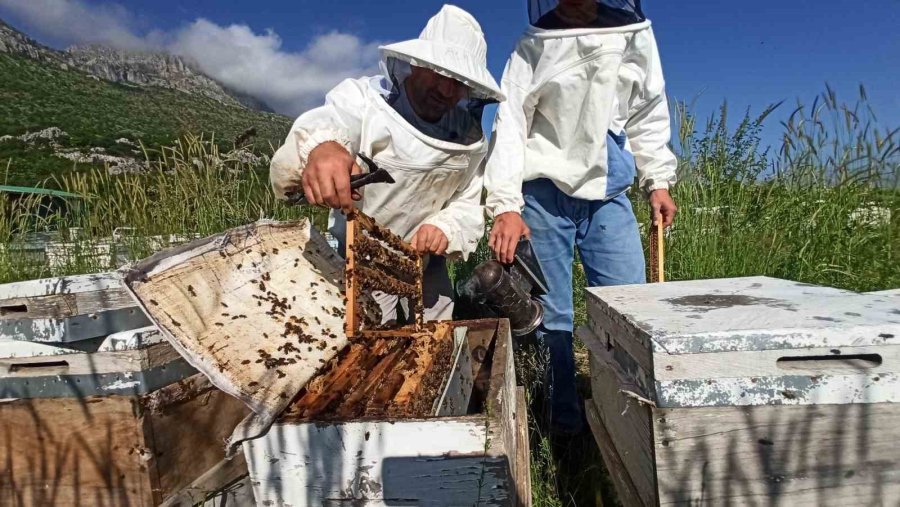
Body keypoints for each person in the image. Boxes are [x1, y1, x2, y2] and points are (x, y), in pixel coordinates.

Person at [484, 0, 677, 432]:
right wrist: (506, 205)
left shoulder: (634, 33)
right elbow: (511, 121)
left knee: (628, 306)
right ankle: (561, 427)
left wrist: (658, 180)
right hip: (543, 194)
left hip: (609, 191)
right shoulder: (533, 43)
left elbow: (647, 109)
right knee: (549, 317)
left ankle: (629, 420)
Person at [270, 5, 504, 324]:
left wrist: (445, 227)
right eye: (439, 74)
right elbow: (331, 120)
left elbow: (467, 202)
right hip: (359, 258)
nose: (446, 90)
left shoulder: (469, 139)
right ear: (415, 65)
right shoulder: (363, 102)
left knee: (437, 336)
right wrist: (324, 147)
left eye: (458, 82)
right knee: (366, 335)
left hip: (426, 260)